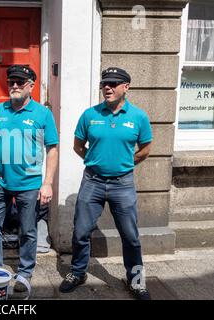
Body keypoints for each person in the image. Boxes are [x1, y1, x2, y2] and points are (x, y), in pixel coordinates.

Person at [59, 67, 153, 300]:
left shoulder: (138, 117)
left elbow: (145, 149)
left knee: (130, 235)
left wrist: (123, 164)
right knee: (81, 231)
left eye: (113, 83)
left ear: (126, 87)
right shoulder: (90, 115)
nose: (107, 88)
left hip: (123, 183)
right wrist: (95, 161)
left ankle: (136, 280)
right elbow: (78, 145)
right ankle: (78, 272)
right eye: (104, 84)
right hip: (93, 181)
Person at [0, 65, 59, 292]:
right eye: (11, 82)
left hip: (29, 184)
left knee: (28, 230)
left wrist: (47, 183)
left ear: (31, 86)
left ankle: (25, 273)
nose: (15, 86)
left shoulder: (42, 114)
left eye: (20, 82)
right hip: (0, 182)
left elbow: (52, 149)